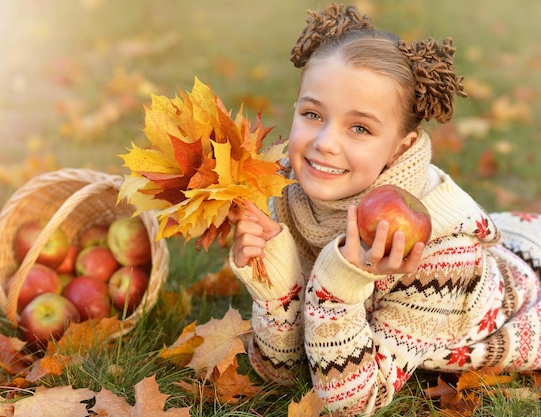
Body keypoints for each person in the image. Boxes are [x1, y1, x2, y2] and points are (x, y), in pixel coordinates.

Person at [227, 3, 541, 416]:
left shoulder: (439, 255)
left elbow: (353, 402)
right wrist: (276, 288)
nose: (325, 142)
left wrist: (337, 289)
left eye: (359, 128)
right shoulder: (284, 194)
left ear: (401, 147)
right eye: (312, 114)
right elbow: (285, 375)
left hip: (506, 299)